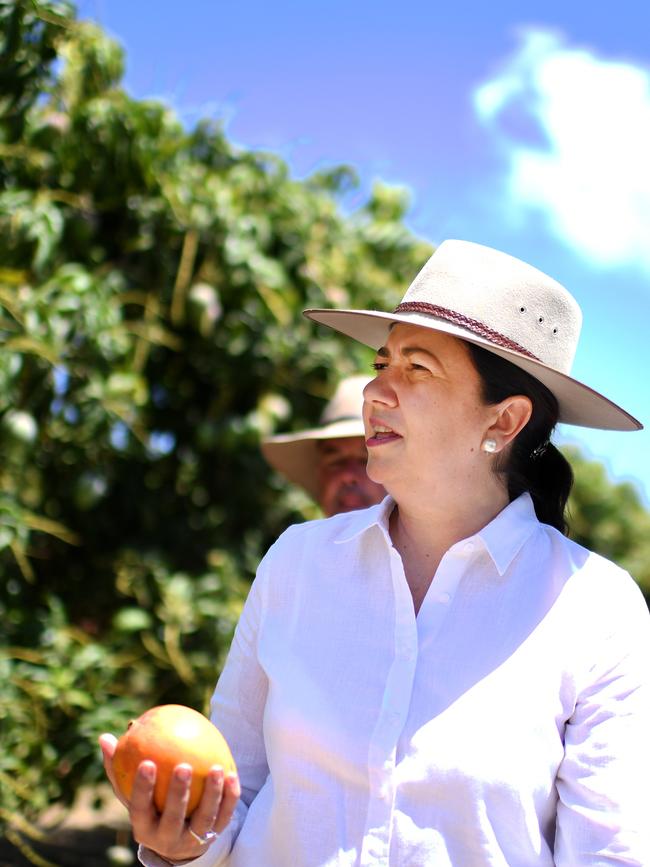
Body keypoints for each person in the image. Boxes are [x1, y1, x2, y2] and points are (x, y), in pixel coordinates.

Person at [100, 239, 650, 866]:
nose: (374, 393)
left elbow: (609, 856)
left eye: (416, 369)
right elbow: (236, 796)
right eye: (381, 362)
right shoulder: (298, 564)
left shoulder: (596, 610)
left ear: (503, 422)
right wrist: (184, 843)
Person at [261, 374, 385, 516]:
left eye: (366, 460)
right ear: (319, 474)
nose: (348, 476)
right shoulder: (299, 538)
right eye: (336, 462)